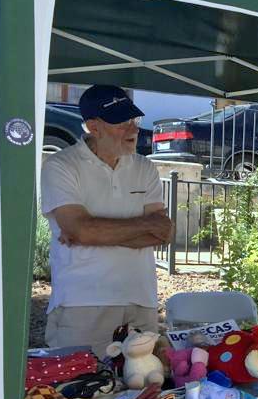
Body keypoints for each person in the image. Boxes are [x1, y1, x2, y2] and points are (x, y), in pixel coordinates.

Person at [41, 84, 174, 356]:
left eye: (133, 120)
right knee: (81, 390)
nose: (133, 129)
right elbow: (79, 229)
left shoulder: (144, 167)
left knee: (144, 387)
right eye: (121, 122)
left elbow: (164, 232)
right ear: (93, 126)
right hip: (82, 303)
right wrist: (142, 227)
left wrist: (90, 233)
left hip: (141, 299)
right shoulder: (61, 165)